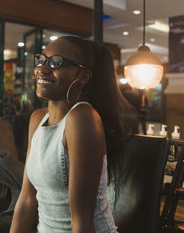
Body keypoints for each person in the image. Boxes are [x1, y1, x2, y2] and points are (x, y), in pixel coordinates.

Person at [10, 36, 132, 233]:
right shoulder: (37, 118)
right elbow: (27, 199)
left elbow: (81, 222)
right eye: (41, 60)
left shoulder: (82, 118)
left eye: (56, 63)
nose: (43, 68)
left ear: (83, 76)